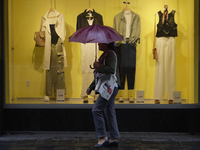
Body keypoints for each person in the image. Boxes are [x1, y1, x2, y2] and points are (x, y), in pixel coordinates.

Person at [86, 42, 120, 148]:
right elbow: (99, 76)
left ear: (106, 43)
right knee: (109, 112)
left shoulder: (111, 54)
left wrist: (99, 66)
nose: (98, 44)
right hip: (109, 87)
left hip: (109, 88)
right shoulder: (105, 55)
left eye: (100, 42)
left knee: (96, 110)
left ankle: (102, 137)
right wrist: (91, 87)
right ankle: (114, 138)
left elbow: (110, 70)